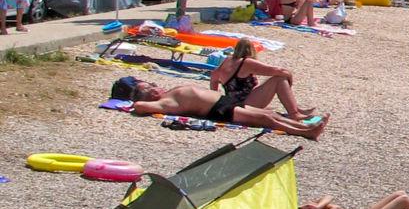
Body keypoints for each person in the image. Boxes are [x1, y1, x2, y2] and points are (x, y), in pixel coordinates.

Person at [111, 74, 328, 138]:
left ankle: (302, 126)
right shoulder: (162, 102)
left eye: (150, 85)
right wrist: (138, 101)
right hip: (217, 111)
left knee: (268, 113)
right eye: (147, 90)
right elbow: (139, 107)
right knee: (266, 120)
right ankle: (305, 132)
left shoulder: (165, 94)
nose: (153, 88)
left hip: (223, 102)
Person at [208, 36, 313, 118]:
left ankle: (295, 108)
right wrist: (290, 79)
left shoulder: (227, 60)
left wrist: (216, 99)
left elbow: (214, 78)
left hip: (233, 104)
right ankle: (294, 113)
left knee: (278, 78)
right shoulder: (246, 62)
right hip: (245, 105)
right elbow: (280, 71)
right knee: (279, 79)